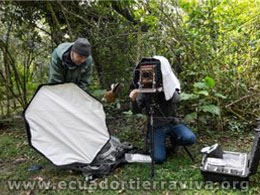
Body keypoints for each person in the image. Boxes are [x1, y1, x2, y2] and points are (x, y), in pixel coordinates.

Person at [129, 56, 196, 164]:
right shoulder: (144, 89)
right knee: (158, 159)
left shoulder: (169, 86)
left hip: (172, 123)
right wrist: (133, 99)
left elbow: (176, 99)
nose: (151, 75)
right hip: (156, 126)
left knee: (190, 138)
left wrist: (165, 86)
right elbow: (136, 111)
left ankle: (173, 142)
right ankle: (159, 145)